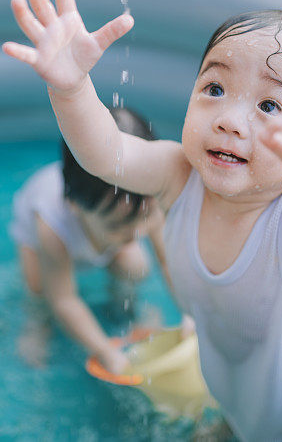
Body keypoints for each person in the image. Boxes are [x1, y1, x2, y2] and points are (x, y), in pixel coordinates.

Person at [2, 0, 282, 442]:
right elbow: (107, 154)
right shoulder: (177, 173)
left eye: (269, 106)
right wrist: (71, 87)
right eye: (215, 87)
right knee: (233, 412)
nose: (228, 118)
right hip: (230, 376)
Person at [9, 106, 166, 375]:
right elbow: (66, 301)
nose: (138, 232)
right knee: (40, 290)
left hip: (98, 225)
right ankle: (37, 325)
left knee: (137, 267)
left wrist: (191, 312)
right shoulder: (50, 224)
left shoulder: (143, 197)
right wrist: (105, 350)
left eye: (146, 216)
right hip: (44, 238)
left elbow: (169, 259)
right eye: (120, 224)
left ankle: (125, 305)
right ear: (75, 206)